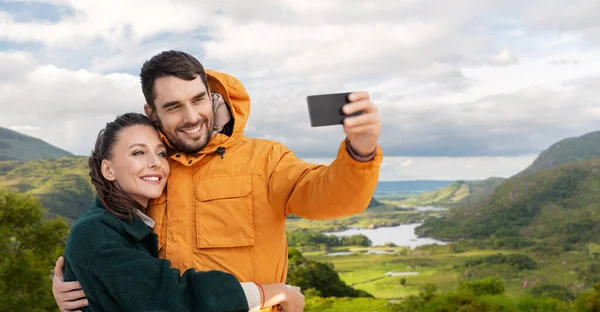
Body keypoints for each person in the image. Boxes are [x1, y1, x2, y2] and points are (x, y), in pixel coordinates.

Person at [54, 50, 382, 312]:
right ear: (152, 111)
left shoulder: (265, 160)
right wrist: (78, 288)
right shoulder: (150, 173)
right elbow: (107, 236)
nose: (192, 117)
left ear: (211, 96)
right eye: (173, 106)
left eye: (198, 99)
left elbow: (333, 196)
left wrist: (361, 151)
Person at [60, 112, 304, 311]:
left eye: (161, 153)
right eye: (138, 152)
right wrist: (271, 292)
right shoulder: (95, 233)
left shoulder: (132, 226)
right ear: (108, 170)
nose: (155, 162)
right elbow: (171, 298)